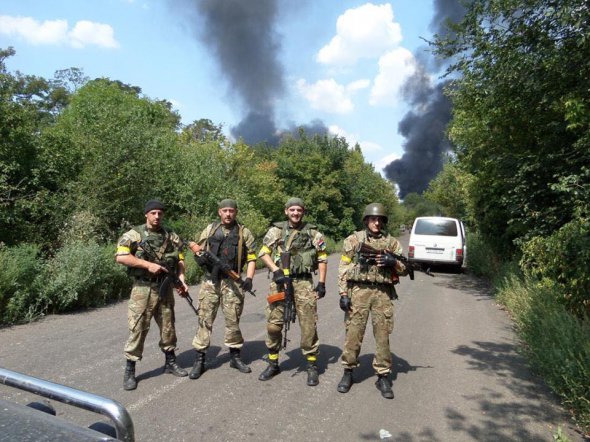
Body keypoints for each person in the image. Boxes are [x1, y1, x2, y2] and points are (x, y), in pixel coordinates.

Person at [336, 202, 408, 399]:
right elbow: (343, 268)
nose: (376, 223)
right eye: (373, 219)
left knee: (383, 335)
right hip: (358, 291)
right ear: (366, 220)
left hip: (382, 293)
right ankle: (348, 372)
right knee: (353, 333)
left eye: (379, 220)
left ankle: (383, 375)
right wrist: (343, 294)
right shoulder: (354, 240)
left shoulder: (391, 243)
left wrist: (394, 263)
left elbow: (404, 267)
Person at [115, 199, 189, 391]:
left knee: (168, 326)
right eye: (153, 213)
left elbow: (180, 259)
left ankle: (170, 362)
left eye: (160, 213)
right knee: (138, 328)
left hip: (165, 287)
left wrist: (181, 280)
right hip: (142, 288)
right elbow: (121, 257)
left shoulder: (171, 235)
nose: (157, 216)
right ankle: (130, 370)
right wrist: (148, 265)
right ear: (146, 214)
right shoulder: (133, 235)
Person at [257, 197, 328, 386]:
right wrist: (276, 270)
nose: (296, 213)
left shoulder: (314, 233)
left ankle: (311, 365)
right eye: (292, 210)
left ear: (303, 212)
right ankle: (273, 363)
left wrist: (321, 283)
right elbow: (263, 253)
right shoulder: (276, 231)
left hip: (304, 283)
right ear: (286, 211)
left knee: (308, 326)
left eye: (299, 210)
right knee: (274, 324)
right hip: (280, 283)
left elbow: (322, 258)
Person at [188, 199, 257, 379]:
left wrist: (248, 278)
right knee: (205, 319)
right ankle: (199, 359)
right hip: (210, 281)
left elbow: (252, 257)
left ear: (236, 212)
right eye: (225, 210)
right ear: (219, 212)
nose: (228, 214)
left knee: (233, 319)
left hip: (232, 282)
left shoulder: (244, 232)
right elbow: (197, 248)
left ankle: (235, 357)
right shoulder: (210, 229)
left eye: (231, 211)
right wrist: (199, 258)